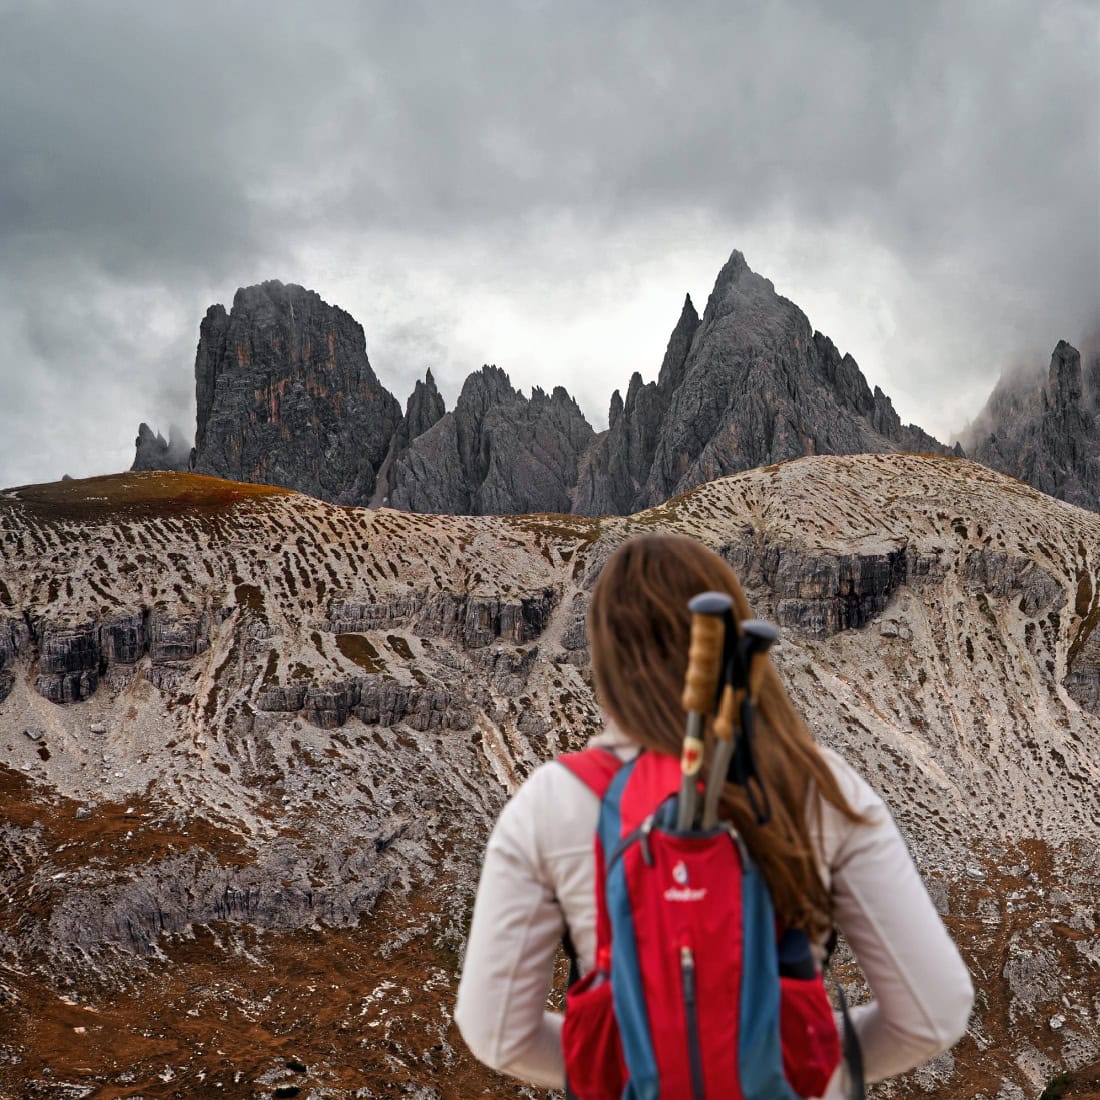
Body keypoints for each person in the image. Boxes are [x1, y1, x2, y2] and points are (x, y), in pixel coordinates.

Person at [455, 534, 974, 1098]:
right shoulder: (818, 786)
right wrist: (815, 1068)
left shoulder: (550, 801)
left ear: (604, 657)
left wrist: (619, 1070)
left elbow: (497, 1033)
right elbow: (933, 1012)